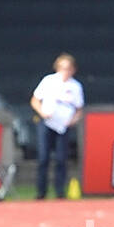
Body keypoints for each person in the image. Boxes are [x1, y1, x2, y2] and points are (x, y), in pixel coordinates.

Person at [31, 52, 84, 198]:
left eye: (68, 68)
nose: (65, 72)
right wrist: (42, 112)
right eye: (62, 68)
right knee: (43, 158)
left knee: (61, 159)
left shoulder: (76, 87)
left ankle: (60, 191)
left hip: (63, 126)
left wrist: (72, 120)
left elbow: (79, 109)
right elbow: (35, 100)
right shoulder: (49, 81)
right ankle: (41, 192)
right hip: (47, 123)